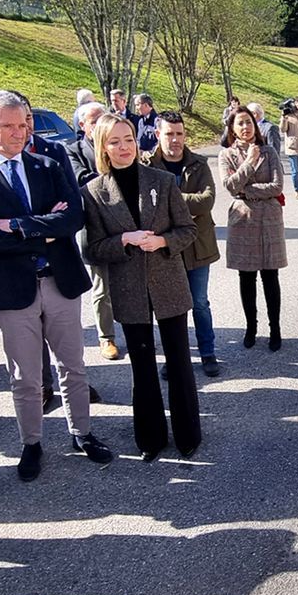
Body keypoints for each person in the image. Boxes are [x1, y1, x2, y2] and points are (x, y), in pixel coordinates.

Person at [0, 89, 113, 481]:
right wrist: (45, 227)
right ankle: (32, 443)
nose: (19, 132)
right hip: (11, 289)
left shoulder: (48, 161)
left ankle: (82, 433)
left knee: (72, 366)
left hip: (59, 279)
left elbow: (72, 217)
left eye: (23, 124)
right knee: (26, 376)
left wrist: (19, 225)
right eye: (8, 126)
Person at [82, 114, 201, 461]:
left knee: (179, 361)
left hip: (168, 284)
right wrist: (124, 240)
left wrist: (163, 241)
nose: (124, 148)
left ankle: (188, 434)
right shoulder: (93, 192)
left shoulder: (163, 181)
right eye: (115, 141)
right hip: (129, 289)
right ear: (103, 146)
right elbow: (92, 249)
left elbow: (187, 230)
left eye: (129, 139)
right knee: (143, 365)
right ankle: (150, 437)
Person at [148, 111, 222, 377]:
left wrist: (171, 202)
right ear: (158, 134)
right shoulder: (147, 165)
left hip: (197, 245)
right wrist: (184, 207)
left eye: (179, 133)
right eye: (169, 134)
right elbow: (147, 206)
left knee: (200, 303)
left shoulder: (199, 164)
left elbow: (207, 201)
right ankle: (174, 356)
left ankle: (208, 352)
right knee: (170, 306)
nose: (175, 139)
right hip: (164, 248)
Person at [219, 107, 286, 351]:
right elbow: (229, 185)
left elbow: (277, 186)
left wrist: (247, 190)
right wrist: (248, 163)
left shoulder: (268, 152)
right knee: (246, 277)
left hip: (269, 218)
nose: (245, 127)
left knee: (270, 276)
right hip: (242, 219)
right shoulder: (226, 155)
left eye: (249, 122)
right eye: (240, 124)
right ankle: (251, 327)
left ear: (255, 125)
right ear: (232, 129)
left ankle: (275, 329)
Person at [72, 101, 122, 360]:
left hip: (126, 227)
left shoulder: (119, 146)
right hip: (95, 229)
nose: (100, 123)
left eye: (103, 117)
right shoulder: (73, 151)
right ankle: (107, 338)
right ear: (83, 126)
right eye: (93, 121)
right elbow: (83, 181)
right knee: (102, 287)